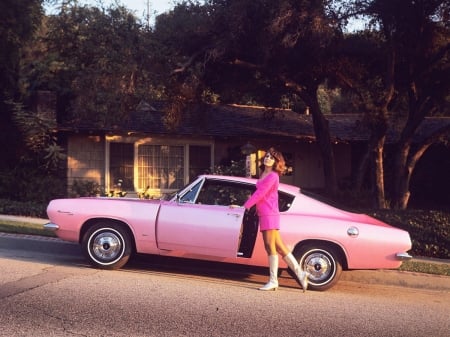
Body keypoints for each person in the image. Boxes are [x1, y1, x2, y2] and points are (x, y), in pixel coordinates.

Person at [243, 147, 309, 292]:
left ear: (276, 162)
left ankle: (273, 280)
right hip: (264, 213)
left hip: (269, 214)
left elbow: (260, 193)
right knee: (279, 247)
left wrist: (246, 206)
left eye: (271, 158)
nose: (268, 158)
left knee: (269, 246)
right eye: (266, 156)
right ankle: (300, 273)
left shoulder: (273, 176)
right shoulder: (263, 173)